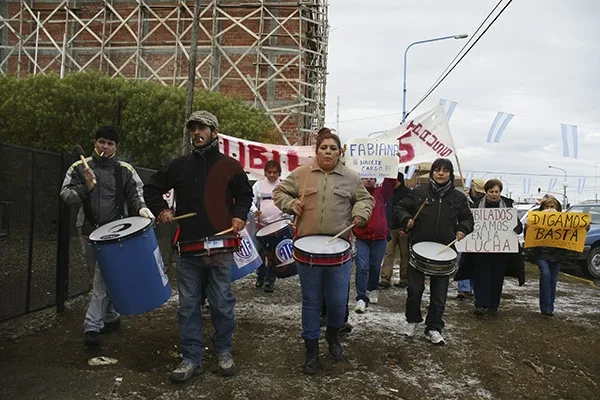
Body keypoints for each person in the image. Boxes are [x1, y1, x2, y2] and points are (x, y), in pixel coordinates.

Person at [143, 110, 253, 382]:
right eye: (193, 128)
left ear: (214, 132)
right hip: (189, 248)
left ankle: (223, 351)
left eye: (202, 128)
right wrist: (162, 210)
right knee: (188, 306)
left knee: (221, 304)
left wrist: (239, 214)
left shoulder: (230, 166)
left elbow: (245, 194)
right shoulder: (179, 165)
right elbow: (152, 189)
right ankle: (192, 357)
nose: (196, 133)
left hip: (222, 248)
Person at [273, 128, 374, 375]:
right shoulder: (302, 174)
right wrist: (291, 203)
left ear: (340, 152)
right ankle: (311, 352)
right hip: (306, 251)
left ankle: (332, 335)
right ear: (317, 151)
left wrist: (360, 213)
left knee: (338, 301)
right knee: (311, 302)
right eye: (323, 148)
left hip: (338, 252)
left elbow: (365, 199)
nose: (328, 152)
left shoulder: (351, 177)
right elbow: (279, 192)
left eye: (333, 148)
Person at [60, 125, 152, 347]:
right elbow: (66, 195)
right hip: (88, 231)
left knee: (102, 279)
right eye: (102, 141)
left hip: (116, 235)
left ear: (116, 148)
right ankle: (111, 317)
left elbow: (135, 195)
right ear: (94, 143)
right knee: (97, 277)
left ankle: (92, 326)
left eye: (110, 143)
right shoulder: (78, 168)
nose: (105, 146)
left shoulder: (124, 170)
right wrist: (86, 187)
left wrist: (141, 209)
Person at [393, 158, 474, 345]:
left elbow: (468, 220)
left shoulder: (458, 197)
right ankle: (412, 320)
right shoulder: (419, 192)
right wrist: (406, 220)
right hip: (419, 248)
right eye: (437, 170)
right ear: (432, 173)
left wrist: (462, 229)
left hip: (444, 252)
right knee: (414, 289)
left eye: (445, 171)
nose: (440, 173)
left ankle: (434, 327)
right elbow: (400, 208)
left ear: (450, 174)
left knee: (439, 294)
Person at [469, 179, 522, 316]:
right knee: (480, 276)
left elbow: (518, 226)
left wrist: (516, 228)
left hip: (501, 250)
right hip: (481, 249)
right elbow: (469, 222)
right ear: (486, 192)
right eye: (491, 191)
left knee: (497, 277)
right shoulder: (476, 205)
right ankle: (480, 303)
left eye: (496, 191)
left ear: (500, 192)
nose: (494, 194)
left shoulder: (508, 206)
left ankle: (493, 305)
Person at [353, 176, 395, 312]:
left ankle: (373, 288)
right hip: (361, 237)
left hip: (379, 237)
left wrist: (393, 163)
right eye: (365, 177)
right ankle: (361, 297)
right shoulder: (355, 193)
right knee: (362, 267)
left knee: (375, 266)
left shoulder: (381, 193)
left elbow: (391, 182)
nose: (369, 180)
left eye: (372, 178)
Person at [250, 160, 288, 293]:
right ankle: (260, 275)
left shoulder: (284, 185)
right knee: (261, 252)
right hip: (261, 225)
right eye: (269, 172)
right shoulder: (258, 185)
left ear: (279, 173)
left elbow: (289, 201)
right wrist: (255, 210)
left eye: (275, 172)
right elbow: (250, 200)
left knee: (273, 253)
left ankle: (269, 281)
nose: (272, 175)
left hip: (278, 225)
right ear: (265, 172)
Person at [527, 197, 567, 316]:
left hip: (557, 253)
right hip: (541, 253)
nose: (550, 210)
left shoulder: (564, 221)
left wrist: (585, 228)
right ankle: (545, 307)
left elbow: (574, 230)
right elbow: (528, 237)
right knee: (545, 274)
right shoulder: (535, 220)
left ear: (558, 209)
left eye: (552, 207)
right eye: (547, 207)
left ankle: (549, 307)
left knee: (553, 280)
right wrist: (528, 229)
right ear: (542, 209)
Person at [380, 172, 412, 289]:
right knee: (388, 253)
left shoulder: (408, 193)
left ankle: (404, 278)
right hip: (389, 227)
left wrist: (407, 228)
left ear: (399, 181)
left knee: (405, 254)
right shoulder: (387, 192)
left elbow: (412, 211)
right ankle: (385, 278)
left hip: (403, 228)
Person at [456, 178, 485, 300]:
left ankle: (471, 287)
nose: (478, 193)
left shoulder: (483, 201)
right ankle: (464, 288)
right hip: (464, 233)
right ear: (472, 186)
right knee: (462, 260)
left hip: (479, 236)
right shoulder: (463, 198)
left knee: (474, 261)